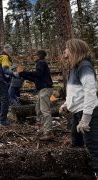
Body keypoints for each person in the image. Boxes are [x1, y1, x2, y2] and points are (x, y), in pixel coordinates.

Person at [59, 38, 98, 176]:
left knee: (93, 145)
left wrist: (86, 118)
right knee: (76, 143)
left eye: (67, 48)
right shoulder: (74, 67)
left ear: (75, 49)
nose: (65, 51)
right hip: (77, 112)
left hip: (87, 112)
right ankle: (81, 171)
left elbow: (90, 91)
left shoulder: (84, 66)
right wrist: (66, 104)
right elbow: (75, 91)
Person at [18, 50, 53, 140]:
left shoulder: (41, 62)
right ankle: (43, 128)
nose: (34, 57)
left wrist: (25, 73)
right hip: (42, 89)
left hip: (45, 89)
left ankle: (48, 132)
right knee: (38, 109)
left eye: (35, 55)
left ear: (39, 55)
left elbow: (38, 74)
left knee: (45, 110)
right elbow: (36, 78)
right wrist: (24, 75)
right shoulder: (40, 63)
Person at [0, 44, 17, 126]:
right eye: (10, 50)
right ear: (6, 50)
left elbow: (6, 69)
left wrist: (12, 68)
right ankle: (2, 120)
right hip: (0, 79)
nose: (11, 52)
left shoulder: (3, 57)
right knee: (5, 99)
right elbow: (5, 70)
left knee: (2, 98)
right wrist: (14, 74)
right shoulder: (5, 57)